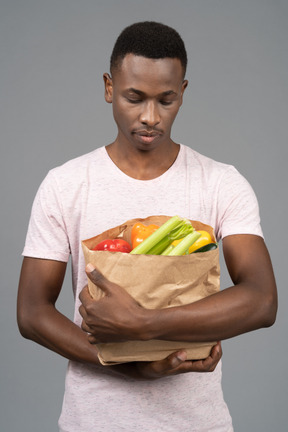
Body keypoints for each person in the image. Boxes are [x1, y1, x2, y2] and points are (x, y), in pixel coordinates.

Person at [17, 21, 277, 432]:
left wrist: (143, 325)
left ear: (183, 93)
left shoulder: (221, 183)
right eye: (134, 98)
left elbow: (262, 301)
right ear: (108, 87)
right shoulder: (66, 184)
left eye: (166, 100)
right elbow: (31, 313)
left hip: (198, 424)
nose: (151, 117)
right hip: (93, 423)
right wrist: (125, 365)